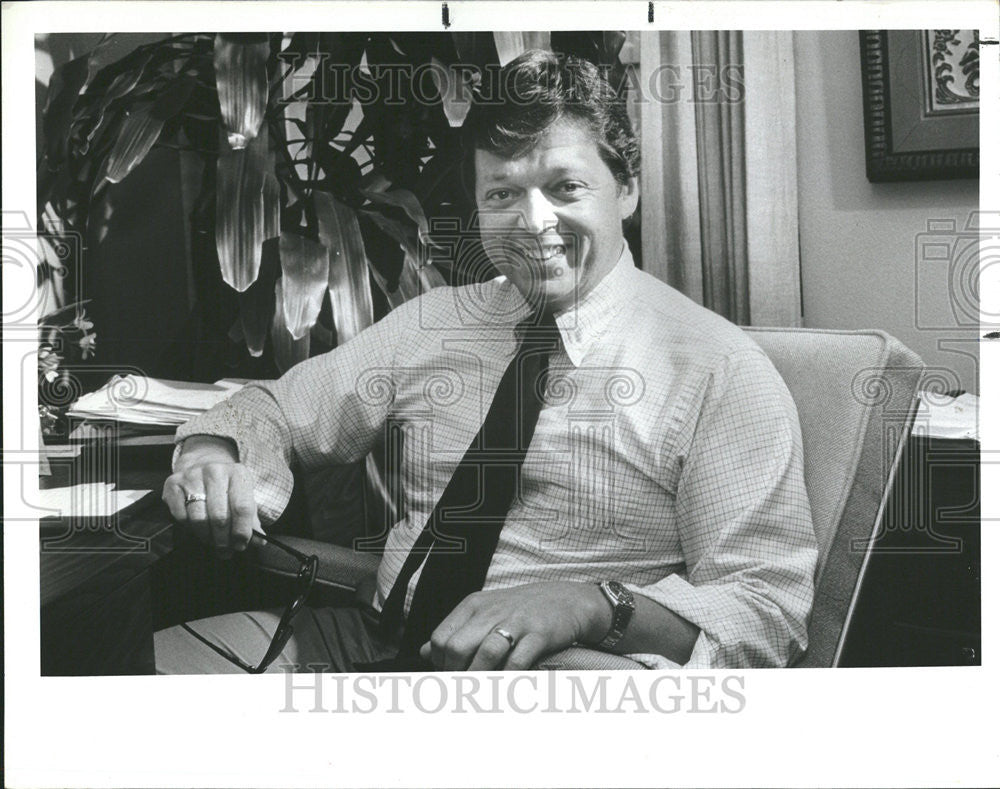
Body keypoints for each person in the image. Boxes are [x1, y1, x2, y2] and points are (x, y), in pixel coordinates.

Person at [155, 50, 817, 673]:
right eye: (501, 194)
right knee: (125, 669)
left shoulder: (719, 370)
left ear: (627, 190)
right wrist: (214, 454)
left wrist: (592, 605)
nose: (532, 222)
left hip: (558, 680)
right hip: (374, 643)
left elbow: (764, 614)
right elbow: (272, 408)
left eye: (565, 186)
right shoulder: (431, 322)